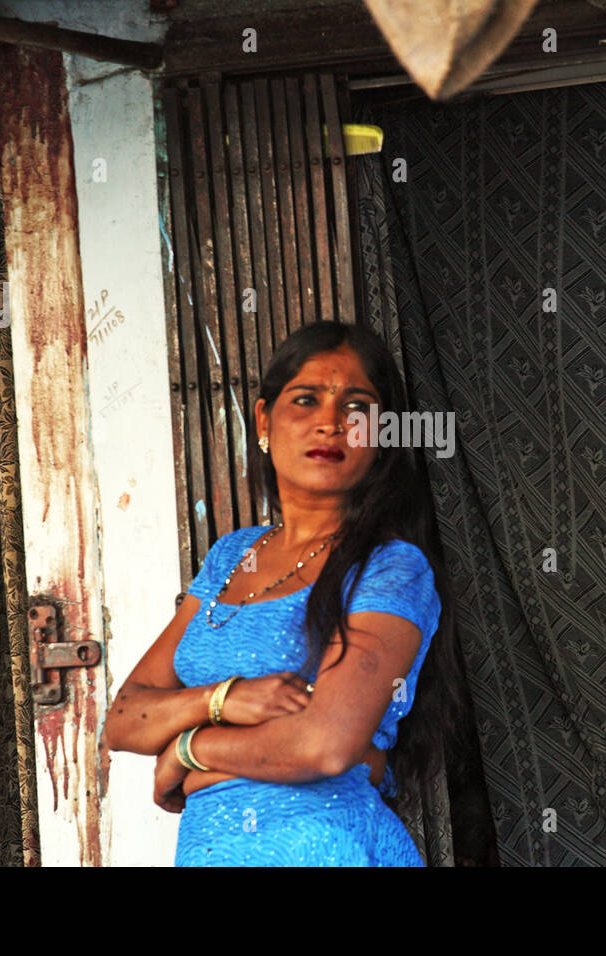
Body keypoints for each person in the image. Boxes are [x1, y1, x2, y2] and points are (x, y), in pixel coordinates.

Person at [104, 321, 462, 865]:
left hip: (327, 846)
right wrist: (222, 698)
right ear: (264, 420)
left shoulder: (391, 567)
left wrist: (188, 748)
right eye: (306, 399)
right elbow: (125, 719)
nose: (330, 422)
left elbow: (325, 746)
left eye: (357, 407)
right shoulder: (231, 556)